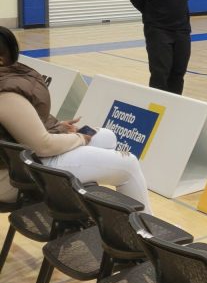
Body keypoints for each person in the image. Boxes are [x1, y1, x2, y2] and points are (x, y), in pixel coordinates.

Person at [0, 27, 152, 211]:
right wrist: (80, 139)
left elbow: (15, 127)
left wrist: (56, 126)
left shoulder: (8, 88)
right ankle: (145, 233)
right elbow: (43, 146)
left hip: (19, 162)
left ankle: (97, 207)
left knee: (107, 136)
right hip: (16, 178)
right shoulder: (7, 95)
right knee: (128, 164)